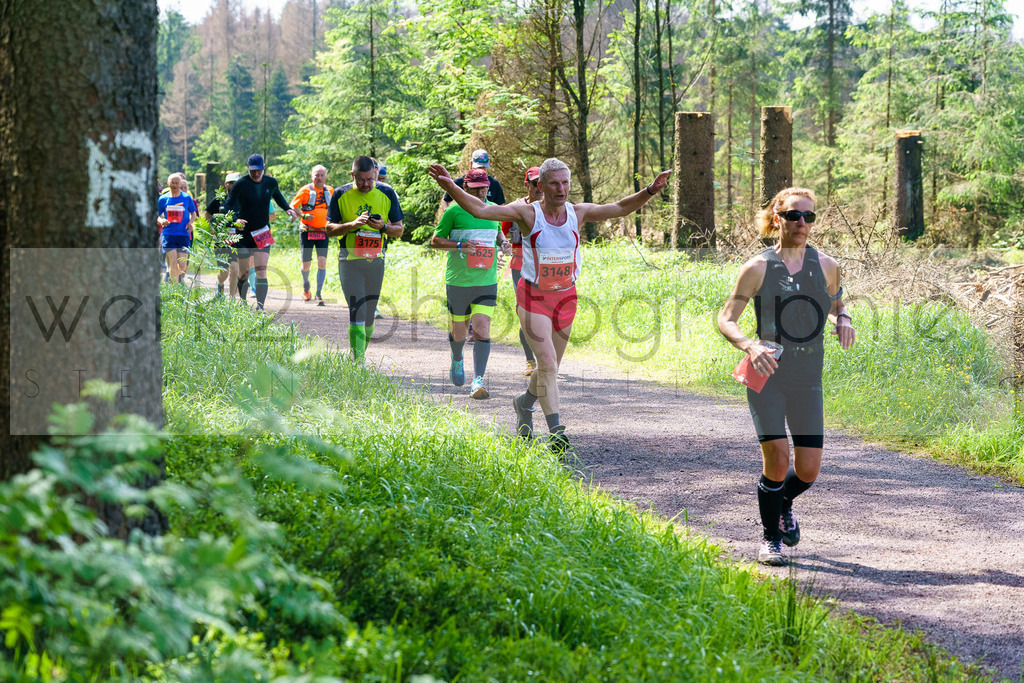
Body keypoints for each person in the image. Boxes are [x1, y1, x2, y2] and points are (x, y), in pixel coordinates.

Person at [429, 158, 672, 454]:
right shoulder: (527, 213)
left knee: (549, 368)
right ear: (541, 186)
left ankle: (524, 403)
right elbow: (481, 209)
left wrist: (650, 190)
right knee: (547, 364)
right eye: (554, 183)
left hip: (566, 298)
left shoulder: (577, 213)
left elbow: (620, 207)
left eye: (565, 182)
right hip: (533, 298)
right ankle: (556, 431)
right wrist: (450, 186)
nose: (561, 188)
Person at [716, 187, 856, 567]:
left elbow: (837, 302)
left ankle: (783, 503)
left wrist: (842, 318)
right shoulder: (758, 267)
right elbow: (725, 319)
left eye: (809, 217)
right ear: (777, 218)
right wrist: (750, 346)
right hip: (768, 374)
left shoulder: (826, 265)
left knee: (808, 469)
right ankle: (770, 539)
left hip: (808, 376)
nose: (802, 224)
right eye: (795, 215)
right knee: (777, 459)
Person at [431, 168, 513, 399]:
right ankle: (457, 357)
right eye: (476, 189)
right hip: (458, 281)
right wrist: (459, 246)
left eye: (484, 189)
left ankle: (478, 381)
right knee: (458, 333)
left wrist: (504, 244)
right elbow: (435, 241)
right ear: (465, 188)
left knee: (482, 329)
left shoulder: (493, 210)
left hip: (486, 280)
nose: (481, 194)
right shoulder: (453, 211)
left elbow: (498, 234)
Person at [325, 156, 404, 362]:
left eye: (370, 179)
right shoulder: (341, 193)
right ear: (352, 175)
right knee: (357, 309)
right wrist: (352, 225)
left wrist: (384, 227)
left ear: (375, 174)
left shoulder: (387, 193)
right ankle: (358, 362)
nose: (366, 184)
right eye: (361, 180)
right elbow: (329, 229)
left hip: (375, 262)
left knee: (369, 316)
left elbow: (399, 230)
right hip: (349, 261)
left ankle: (360, 354)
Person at [223, 154, 300, 310]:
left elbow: (278, 197)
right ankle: (243, 303)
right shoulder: (241, 184)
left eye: (259, 170)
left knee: (261, 270)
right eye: (253, 171)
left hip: (262, 233)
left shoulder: (271, 182)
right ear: (248, 168)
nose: (256, 174)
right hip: (243, 234)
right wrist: (235, 220)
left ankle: (260, 307)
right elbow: (227, 206)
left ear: (264, 168)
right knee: (244, 273)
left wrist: (288, 209)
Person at [501, 166, 543, 376]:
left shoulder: (553, 206)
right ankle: (530, 361)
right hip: (520, 267)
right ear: (526, 185)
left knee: (548, 315)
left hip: (547, 269)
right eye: (535, 183)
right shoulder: (514, 209)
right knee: (526, 315)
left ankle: (546, 358)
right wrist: (502, 246)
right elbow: (498, 233)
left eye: (542, 182)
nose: (539, 187)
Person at [291, 165, 333, 306]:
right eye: (316, 175)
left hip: (323, 231)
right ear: (312, 176)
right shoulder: (305, 190)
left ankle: (318, 294)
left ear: (325, 176)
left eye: (322, 175)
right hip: (307, 231)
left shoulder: (330, 190)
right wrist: (303, 215)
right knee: (306, 264)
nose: (319, 178)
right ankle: (306, 287)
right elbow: (293, 207)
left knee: (322, 262)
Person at [157, 173, 198, 283]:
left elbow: (193, 214)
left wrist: (190, 222)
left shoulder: (186, 198)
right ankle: (175, 289)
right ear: (168, 183)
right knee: (173, 262)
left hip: (183, 234)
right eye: (172, 183)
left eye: (176, 183)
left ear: (180, 184)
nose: (174, 185)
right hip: (168, 234)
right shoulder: (163, 199)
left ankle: (176, 277)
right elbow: (156, 215)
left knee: (182, 264)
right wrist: (161, 220)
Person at [206, 171, 240, 299]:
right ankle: (220, 283)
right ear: (226, 184)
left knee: (235, 270)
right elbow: (207, 216)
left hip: (237, 241)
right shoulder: (219, 201)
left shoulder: (242, 200)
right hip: (222, 241)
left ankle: (231, 300)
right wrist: (212, 231)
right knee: (224, 273)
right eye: (231, 183)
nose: (233, 185)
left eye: (236, 183)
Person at [441, 149, 506, 209]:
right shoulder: (459, 182)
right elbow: (445, 201)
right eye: (478, 167)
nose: (480, 170)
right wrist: (449, 214)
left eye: (483, 167)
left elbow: (500, 205)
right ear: (471, 164)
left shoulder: (494, 183)